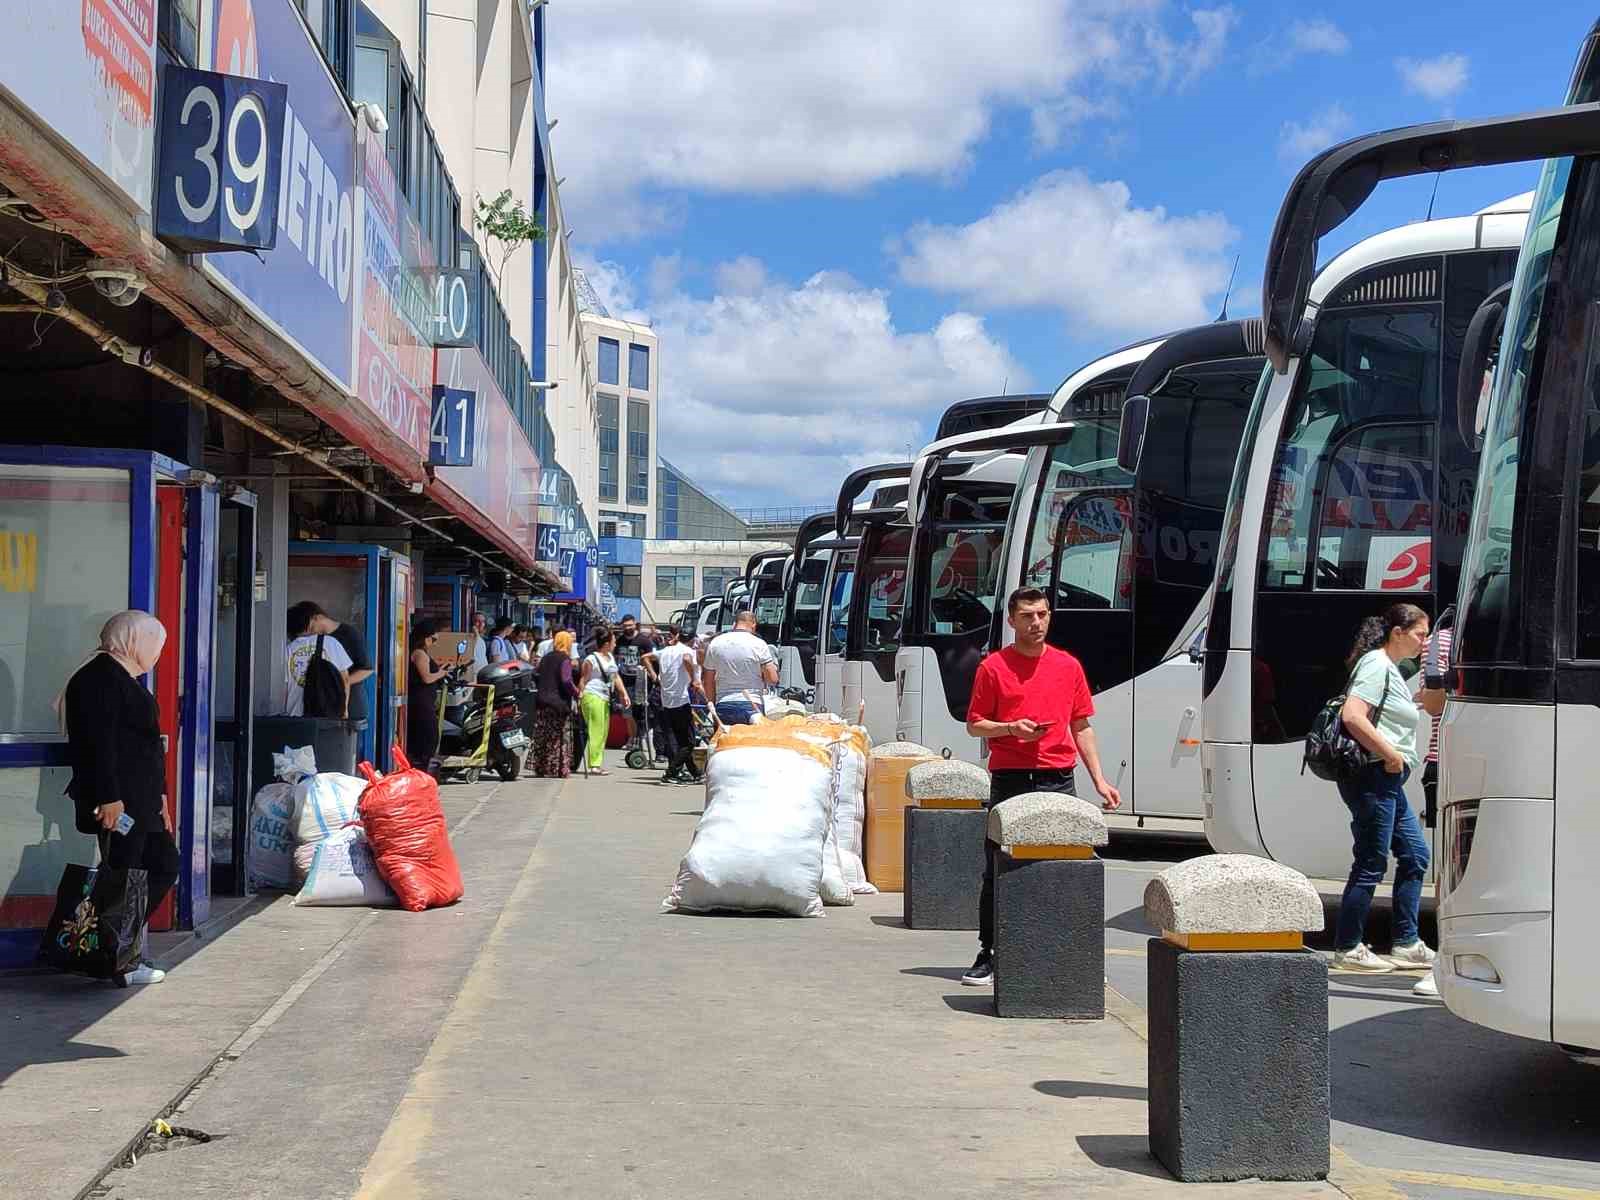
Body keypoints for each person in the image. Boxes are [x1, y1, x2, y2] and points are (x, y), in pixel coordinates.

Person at [959, 587, 1122, 987]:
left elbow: (1081, 725)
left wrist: (1099, 779)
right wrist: (1010, 728)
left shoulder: (1068, 666)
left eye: (1043, 614)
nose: (1037, 623)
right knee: (997, 865)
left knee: (1063, 864)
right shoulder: (993, 668)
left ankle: (1061, 949)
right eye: (1028, 616)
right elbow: (974, 723)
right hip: (1011, 777)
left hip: (1058, 777)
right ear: (1012, 620)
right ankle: (989, 951)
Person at [60, 612, 174, 986]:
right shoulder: (99, 679)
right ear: (131, 640)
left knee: (157, 865)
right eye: (153, 642)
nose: (157, 651)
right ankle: (117, 959)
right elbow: (98, 745)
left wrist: (161, 798)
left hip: (140, 802)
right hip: (120, 804)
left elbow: (142, 747)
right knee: (128, 875)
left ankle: (116, 951)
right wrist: (109, 798)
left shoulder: (121, 677)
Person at [1329, 602, 1436, 975]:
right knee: (1372, 861)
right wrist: (1391, 754)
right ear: (1398, 633)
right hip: (1374, 776)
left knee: (1416, 855)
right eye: (1421, 634)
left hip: (1388, 779)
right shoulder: (1376, 665)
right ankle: (1348, 947)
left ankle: (1406, 943)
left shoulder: (1387, 668)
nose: (1425, 641)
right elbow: (1353, 715)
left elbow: (1385, 713)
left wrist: (1413, 705)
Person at [1411, 615, 1453, 999]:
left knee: (1448, 865)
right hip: (1459, 759)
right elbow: (1435, 701)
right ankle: (1450, 958)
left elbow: (1432, 702)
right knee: (1454, 865)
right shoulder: (1444, 638)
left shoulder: (1440, 639)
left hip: (1453, 758)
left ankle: (1446, 959)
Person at [644, 625, 705, 785]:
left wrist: (653, 675)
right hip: (680, 700)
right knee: (690, 742)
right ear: (692, 640)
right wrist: (694, 679)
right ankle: (671, 773)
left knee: (682, 741)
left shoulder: (666, 650)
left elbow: (645, 657)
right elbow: (686, 659)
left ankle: (695, 773)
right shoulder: (687, 651)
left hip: (667, 700)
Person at [702, 610, 778, 726]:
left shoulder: (716, 643)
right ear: (753, 624)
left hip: (723, 704)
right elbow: (772, 679)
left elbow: (708, 681)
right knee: (751, 743)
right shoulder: (759, 644)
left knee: (725, 742)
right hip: (752, 704)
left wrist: (712, 704)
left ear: (735, 623)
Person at [284, 601, 353, 717]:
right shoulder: (331, 643)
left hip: (295, 716)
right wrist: (344, 710)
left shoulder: (287, 650)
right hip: (328, 716)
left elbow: (283, 689)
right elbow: (345, 679)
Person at [578, 629, 631, 775]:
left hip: (605, 697)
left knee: (603, 731)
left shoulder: (610, 657)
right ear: (607, 643)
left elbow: (615, 677)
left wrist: (624, 694)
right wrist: (580, 696)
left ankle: (597, 763)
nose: (615, 644)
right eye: (613, 641)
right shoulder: (591, 659)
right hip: (592, 695)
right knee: (596, 730)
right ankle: (594, 765)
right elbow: (583, 679)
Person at [614, 615, 662, 762]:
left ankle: (638, 739)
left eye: (630, 625)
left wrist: (653, 678)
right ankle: (632, 738)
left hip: (641, 681)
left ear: (635, 624)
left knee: (640, 711)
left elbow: (653, 660)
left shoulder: (644, 641)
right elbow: (615, 658)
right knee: (627, 712)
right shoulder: (620, 640)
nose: (627, 628)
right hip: (624, 680)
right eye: (625, 625)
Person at [532, 631, 579, 777]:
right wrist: (576, 692)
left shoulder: (546, 658)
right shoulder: (565, 659)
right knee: (559, 736)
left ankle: (541, 767)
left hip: (542, 701)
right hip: (558, 703)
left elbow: (536, 673)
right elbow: (566, 680)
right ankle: (559, 768)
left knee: (544, 735)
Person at [407, 619, 450, 767]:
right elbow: (426, 677)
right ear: (425, 637)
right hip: (421, 703)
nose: (434, 643)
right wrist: (441, 673)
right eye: (433, 639)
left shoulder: (419, 653)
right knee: (428, 738)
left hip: (422, 702)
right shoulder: (419, 653)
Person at [468, 610, 489, 676]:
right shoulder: (468, 638)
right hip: (473, 675)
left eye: (483, 621)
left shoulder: (482, 639)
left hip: (482, 674)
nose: (480, 624)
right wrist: (476, 634)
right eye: (477, 621)